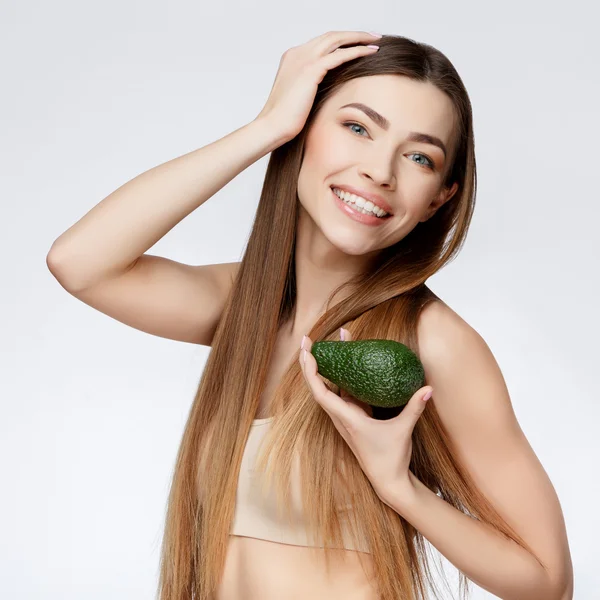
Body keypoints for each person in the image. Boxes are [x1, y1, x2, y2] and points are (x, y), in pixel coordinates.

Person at [47, 31, 573, 600]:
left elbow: (546, 583)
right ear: (305, 130)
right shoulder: (242, 309)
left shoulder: (433, 342)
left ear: (439, 197)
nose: (380, 170)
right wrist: (265, 127)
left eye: (419, 157)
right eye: (356, 128)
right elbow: (79, 263)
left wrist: (398, 486)